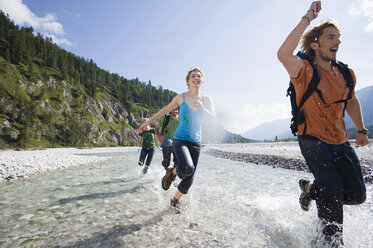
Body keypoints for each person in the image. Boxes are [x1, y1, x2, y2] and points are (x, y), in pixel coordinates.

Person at [277, 1, 369, 246]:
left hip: (340, 141)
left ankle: (311, 190)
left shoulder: (346, 73)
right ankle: (330, 243)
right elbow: (282, 54)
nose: (337, 42)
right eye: (331, 37)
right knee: (333, 188)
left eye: (338, 38)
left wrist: (360, 130)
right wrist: (308, 16)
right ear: (315, 44)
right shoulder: (303, 70)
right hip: (312, 139)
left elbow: (351, 101)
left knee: (357, 195)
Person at [139, 68, 215, 210]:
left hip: (196, 142)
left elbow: (214, 117)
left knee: (189, 178)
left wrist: (203, 109)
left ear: (202, 80)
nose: (196, 78)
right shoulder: (181, 98)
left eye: (199, 76)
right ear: (188, 81)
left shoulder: (206, 99)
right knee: (187, 168)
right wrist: (147, 122)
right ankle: (173, 172)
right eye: (193, 76)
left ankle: (174, 201)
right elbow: (164, 110)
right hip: (180, 140)